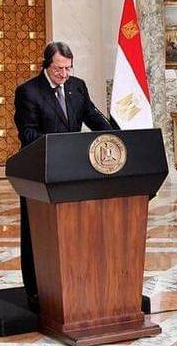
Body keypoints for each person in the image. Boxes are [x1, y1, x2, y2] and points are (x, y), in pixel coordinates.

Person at [13, 41, 113, 307]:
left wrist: (118, 137)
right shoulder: (28, 92)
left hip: (74, 174)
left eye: (68, 68)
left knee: (74, 230)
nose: (64, 74)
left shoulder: (77, 86)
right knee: (37, 233)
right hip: (39, 173)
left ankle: (74, 283)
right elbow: (28, 133)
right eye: (59, 69)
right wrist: (61, 146)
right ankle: (36, 290)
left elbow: (93, 118)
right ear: (46, 64)